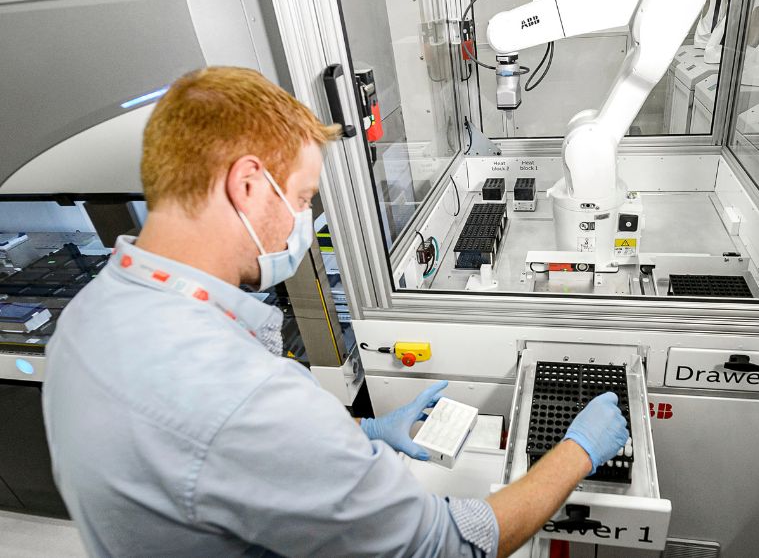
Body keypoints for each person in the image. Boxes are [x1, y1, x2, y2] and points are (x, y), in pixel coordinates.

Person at [42, 66, 629, 557]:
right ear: (247, 184)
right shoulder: (242, 399)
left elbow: (216, 462)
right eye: (301, 198)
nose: (305, 218)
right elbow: (443, 546)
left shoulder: (89, 316)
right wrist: (576, 451)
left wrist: (363, 430)